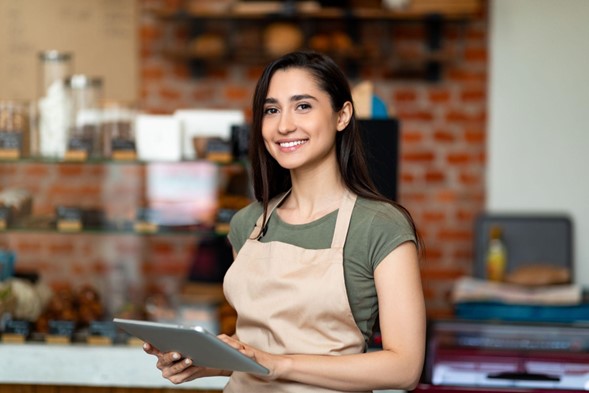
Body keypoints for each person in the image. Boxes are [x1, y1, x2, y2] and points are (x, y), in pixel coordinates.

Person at [143, 51, 426, 392]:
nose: (284, 125)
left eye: (303, 106)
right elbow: (263, 347)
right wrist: (209, 359)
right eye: (271, 110)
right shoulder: (248, 223)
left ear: (342, 115)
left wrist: (279, 366)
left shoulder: (380, 226)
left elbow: (405, 367)